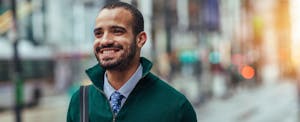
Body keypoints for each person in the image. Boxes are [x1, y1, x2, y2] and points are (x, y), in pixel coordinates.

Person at [67, 2, 197, 122]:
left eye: (117, 31)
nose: (105, 40)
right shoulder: (80, 101)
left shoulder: (176, 107)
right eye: (99, 34)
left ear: (140, 39)